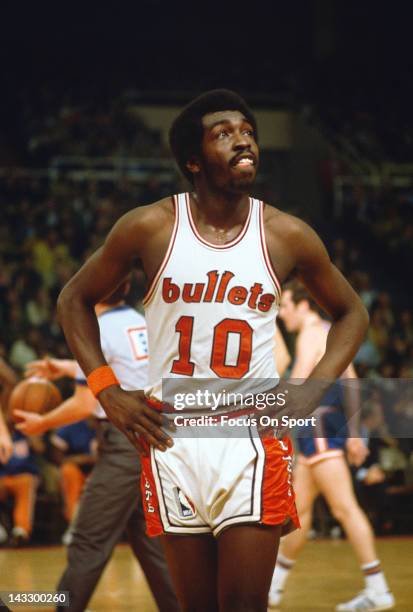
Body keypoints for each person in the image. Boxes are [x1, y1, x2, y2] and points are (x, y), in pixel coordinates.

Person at [56, 89, 369, 611]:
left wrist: (313, 389)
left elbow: (352, 313)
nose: (244, 140)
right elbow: (74, 300)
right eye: (224, 134)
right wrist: (107, 392)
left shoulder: (286, 235)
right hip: (170, 437)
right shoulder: (149, 227)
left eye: (248, 131)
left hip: (249, 433)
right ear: (194, 161)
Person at [15, 283, 179, 612]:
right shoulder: (138, 320)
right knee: (152, 546)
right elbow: (123, 364)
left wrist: (41, 424)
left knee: (87, 539)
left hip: (125, 445)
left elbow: (83, 404)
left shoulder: (99, 329)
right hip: (153, 440)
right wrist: (67, 366)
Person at [268, 281, 394, 611]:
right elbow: (351, 382)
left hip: (318, 428)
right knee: (302, 511)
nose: (282, 315)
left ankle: (378, 587)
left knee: (344, 509)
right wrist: (353, 432)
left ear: (303, 305)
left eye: (285, 307)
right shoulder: (328, 331)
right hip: (323, 429)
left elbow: (295, 382)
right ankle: (274, 588)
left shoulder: (310, 333)